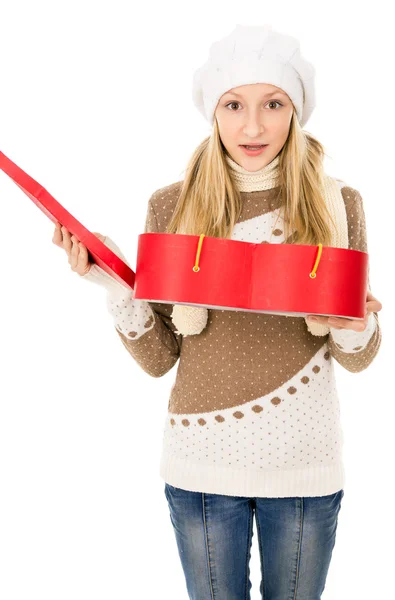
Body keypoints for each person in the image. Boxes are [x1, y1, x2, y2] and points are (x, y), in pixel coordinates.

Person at [53, 23, 383, 600]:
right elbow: (160, 359)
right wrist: (115, 287)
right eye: (234, 104)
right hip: (201, 468)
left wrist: (357, 328)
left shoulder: (339, 203)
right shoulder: (171, 205)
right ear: (214, 112)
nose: (252, 126)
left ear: (295, 112)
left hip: (303, 464)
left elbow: (357, 358)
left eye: (272, 104)